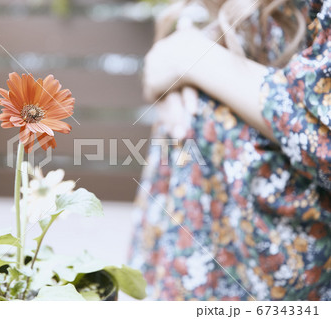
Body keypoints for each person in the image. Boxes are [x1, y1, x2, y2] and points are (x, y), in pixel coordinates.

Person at [129, 0, 330, 300]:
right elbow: (161, 69)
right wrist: (179, 79)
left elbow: (321, 136)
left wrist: (193, 59)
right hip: (197, 254)